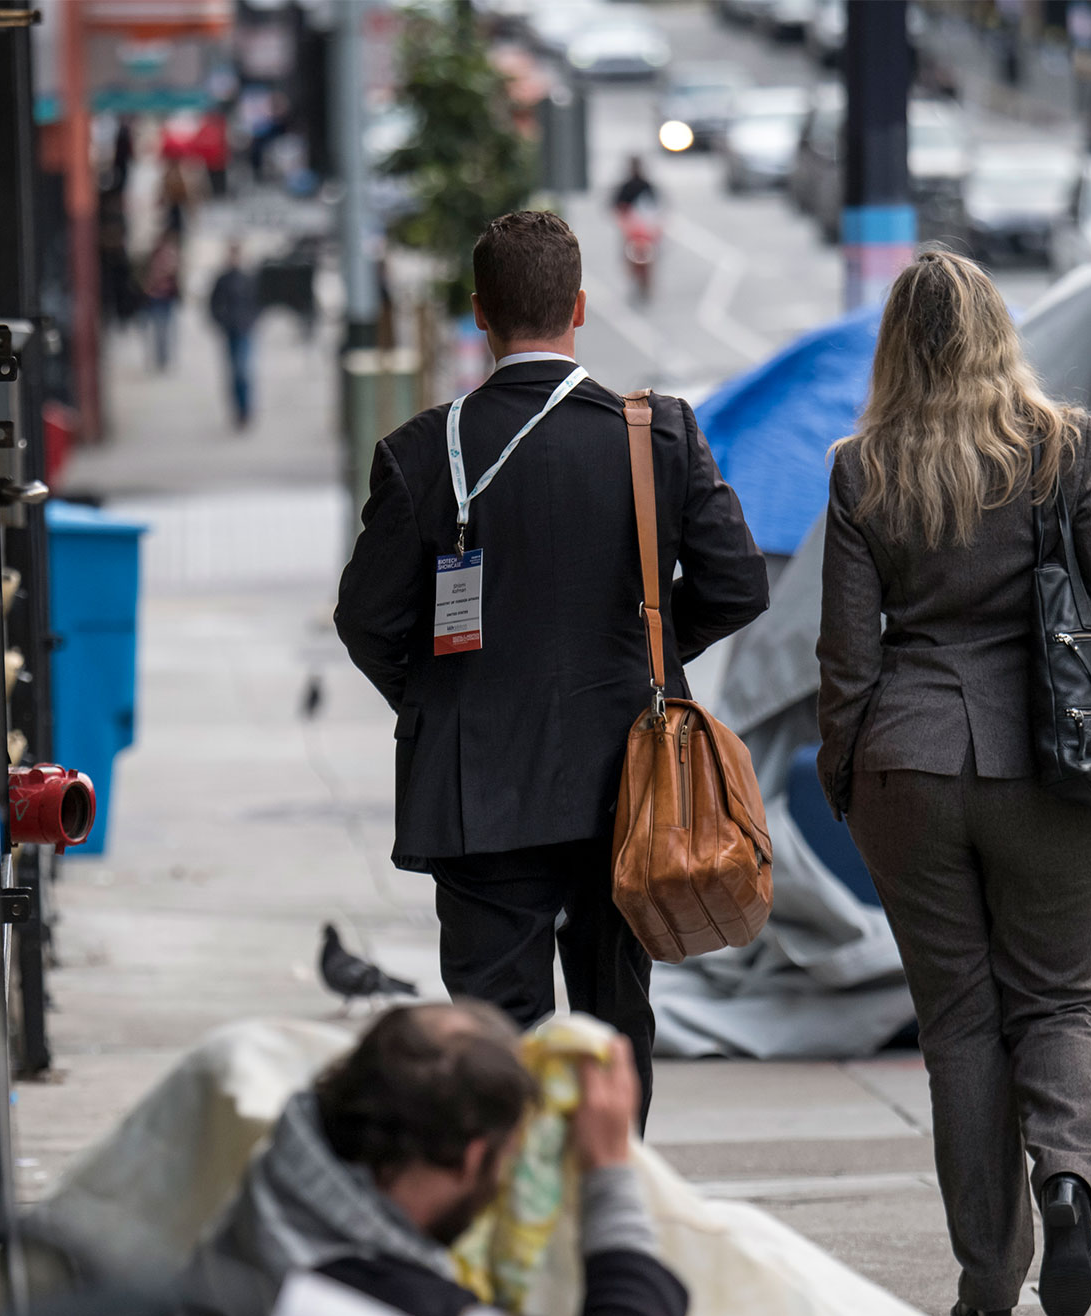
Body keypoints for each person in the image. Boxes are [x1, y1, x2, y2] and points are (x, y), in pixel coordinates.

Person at [815, 251, 1091, 1316]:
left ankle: (986, 1285)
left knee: (958, 1025)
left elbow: (845, 656)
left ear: (897, 344)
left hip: (909, 760)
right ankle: (1070, 1183)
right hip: (1052, 760)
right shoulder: (1056, 446)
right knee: (1057, 998)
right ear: (996, 331)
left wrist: (843, 772)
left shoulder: (862, 468)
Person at [335, 211, 768, 1120]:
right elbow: (736, 584)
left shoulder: (419, 454)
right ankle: (611, 1208)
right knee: (615, 1026)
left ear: (480, 314)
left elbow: (366, 621)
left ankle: (516, 1222)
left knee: (498, 1041)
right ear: (579, 305)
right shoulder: (657, 437)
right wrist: (647, 649)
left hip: (477, 791)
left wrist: (438, 698)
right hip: (631, 789)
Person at [67, 1003, 687, 1316]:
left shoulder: (285, 1172)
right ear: (473, 1158)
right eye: (507, 1160)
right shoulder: (383, 1310)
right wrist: (608, 1170)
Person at [208, 242, 262, 429]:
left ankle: (246, 410)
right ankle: (237, 410)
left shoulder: (248, 278)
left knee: (243, 371)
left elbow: (258, 303)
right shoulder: (222, 279)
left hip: (245, 330)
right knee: (234, 372)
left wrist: (252, 321)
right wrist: (221, 322)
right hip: (230, 329)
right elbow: (213, 304)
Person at [610, 156, 660, 303]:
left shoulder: (646, 186)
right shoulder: (626, 187)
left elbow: (657, 206)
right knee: (627, 253)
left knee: (651, 255)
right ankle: (633, 277)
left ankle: (646, 283)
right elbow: (616, 206)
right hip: (631, 231)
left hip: (645, 231)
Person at [141, 229, 182, 373]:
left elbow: (174, 275)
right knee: (158, 329)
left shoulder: (171, 255)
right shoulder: (152, 257)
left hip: (167, 298)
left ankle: (164, 359)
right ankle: (160, 358)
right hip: (155, 298)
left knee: (166, 330)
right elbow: (148, 277)